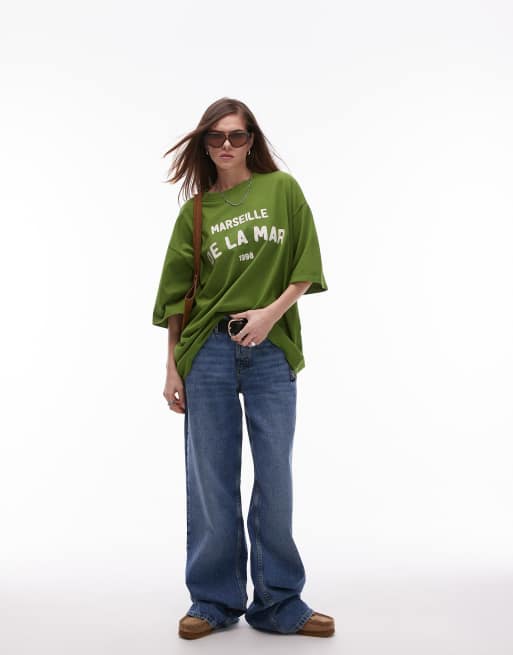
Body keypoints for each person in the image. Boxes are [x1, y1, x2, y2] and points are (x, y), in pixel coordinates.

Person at [151, 97, 334, 639]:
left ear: (252, 140)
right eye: (216, 137)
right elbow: (176, 299)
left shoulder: (282, 190)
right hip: (206, 351)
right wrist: (172, 368)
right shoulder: (195, 212)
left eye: (237, 135)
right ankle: (213, 600)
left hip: (270, 347)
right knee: (211, 478)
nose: (227, 145)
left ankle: (280, 601)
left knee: (275, 475)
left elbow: (305, 266)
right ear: (204, 145)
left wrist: (269, 314)